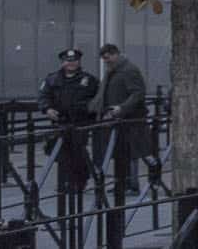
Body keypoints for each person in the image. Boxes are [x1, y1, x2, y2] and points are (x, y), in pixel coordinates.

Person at [39, 47, 101, 193]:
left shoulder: (89, 80)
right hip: (60, 122)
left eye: (74, 61)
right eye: (68, 61)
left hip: (80, 122)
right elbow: (43, 96)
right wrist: (47, 109)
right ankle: (65, 182)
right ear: (62, 62)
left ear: (79, 62)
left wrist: (90, 112)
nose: (71, 63)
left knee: (77, 152)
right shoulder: (52, 79)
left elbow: (97, 99)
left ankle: (79, 182)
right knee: (60, 152)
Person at [95, 43, 149, 198]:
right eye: (104, 59)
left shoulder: (128, 70)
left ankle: (132, 185)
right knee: (121, 153)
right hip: (120, 118)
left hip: (130, 120)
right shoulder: (115, 70)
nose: (106, 62)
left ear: (115, 54)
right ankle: (123, 183)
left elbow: (138, 93)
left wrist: (122, 108)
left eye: (107, 58)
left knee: (132, 154)